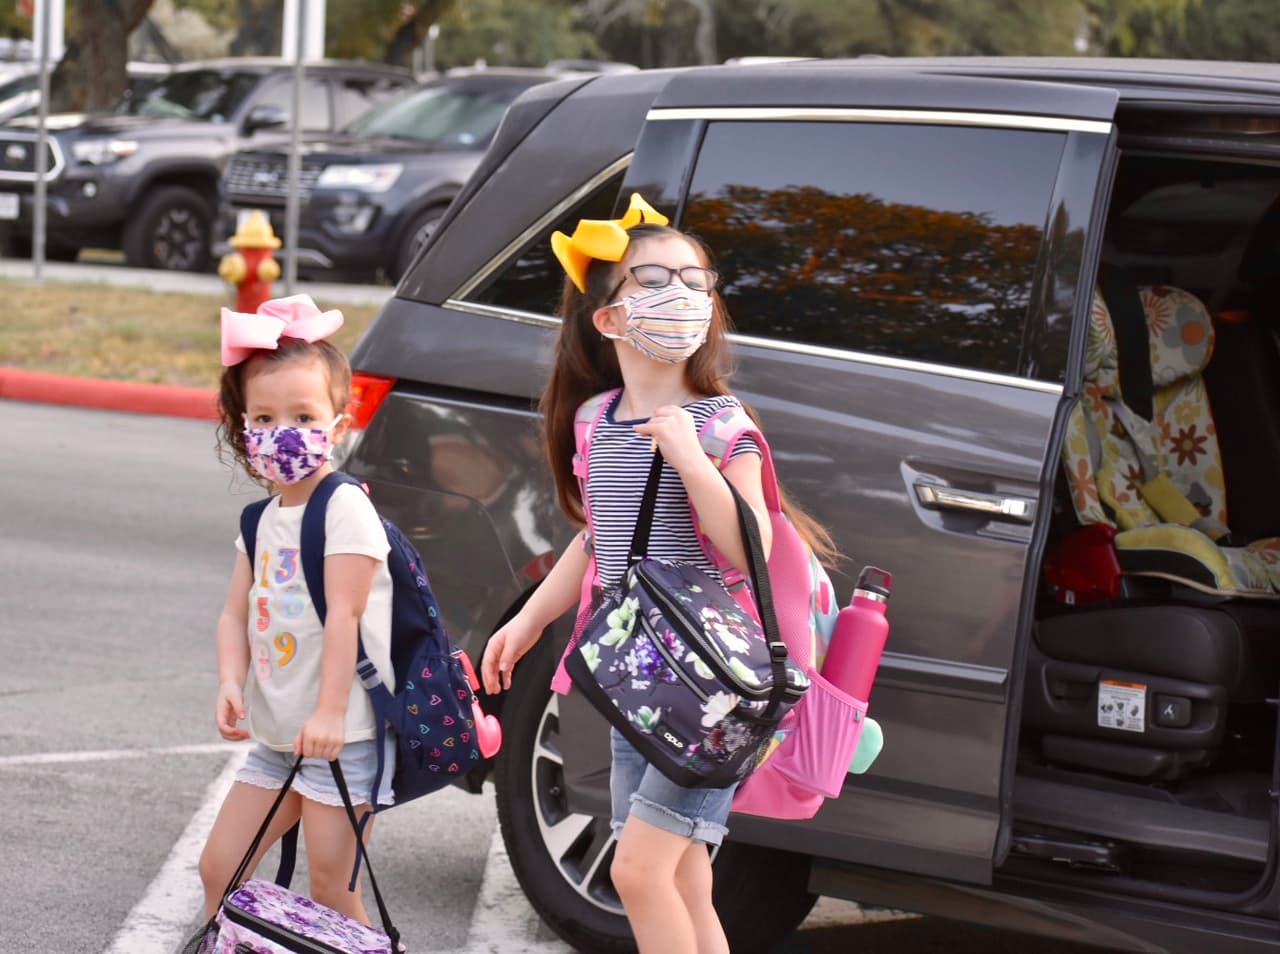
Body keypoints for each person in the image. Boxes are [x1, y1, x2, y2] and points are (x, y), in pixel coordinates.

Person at [480, 194, 834, 954]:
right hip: (639, 680)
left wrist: (688, 457)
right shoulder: (596, 420)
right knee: (682, 878)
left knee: (638, 872)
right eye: (654, 280)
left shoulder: (721, 423)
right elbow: (597, 540)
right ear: (609, 318)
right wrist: (529, 620)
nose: (682, 294)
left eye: (695, 280)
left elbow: (750, 542)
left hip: (714, 690)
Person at [198, 295, 396, 925]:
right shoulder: (260, 520)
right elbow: (234, 614)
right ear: (244, 427)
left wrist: (331, 712)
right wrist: (231, 681)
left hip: (345, 737)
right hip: (279, 735)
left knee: (332, 890)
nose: (281, 432)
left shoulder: (345, 508)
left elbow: (346, 615)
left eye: (303, 415)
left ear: (338, 424)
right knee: (220, 868)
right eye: (264, 417)